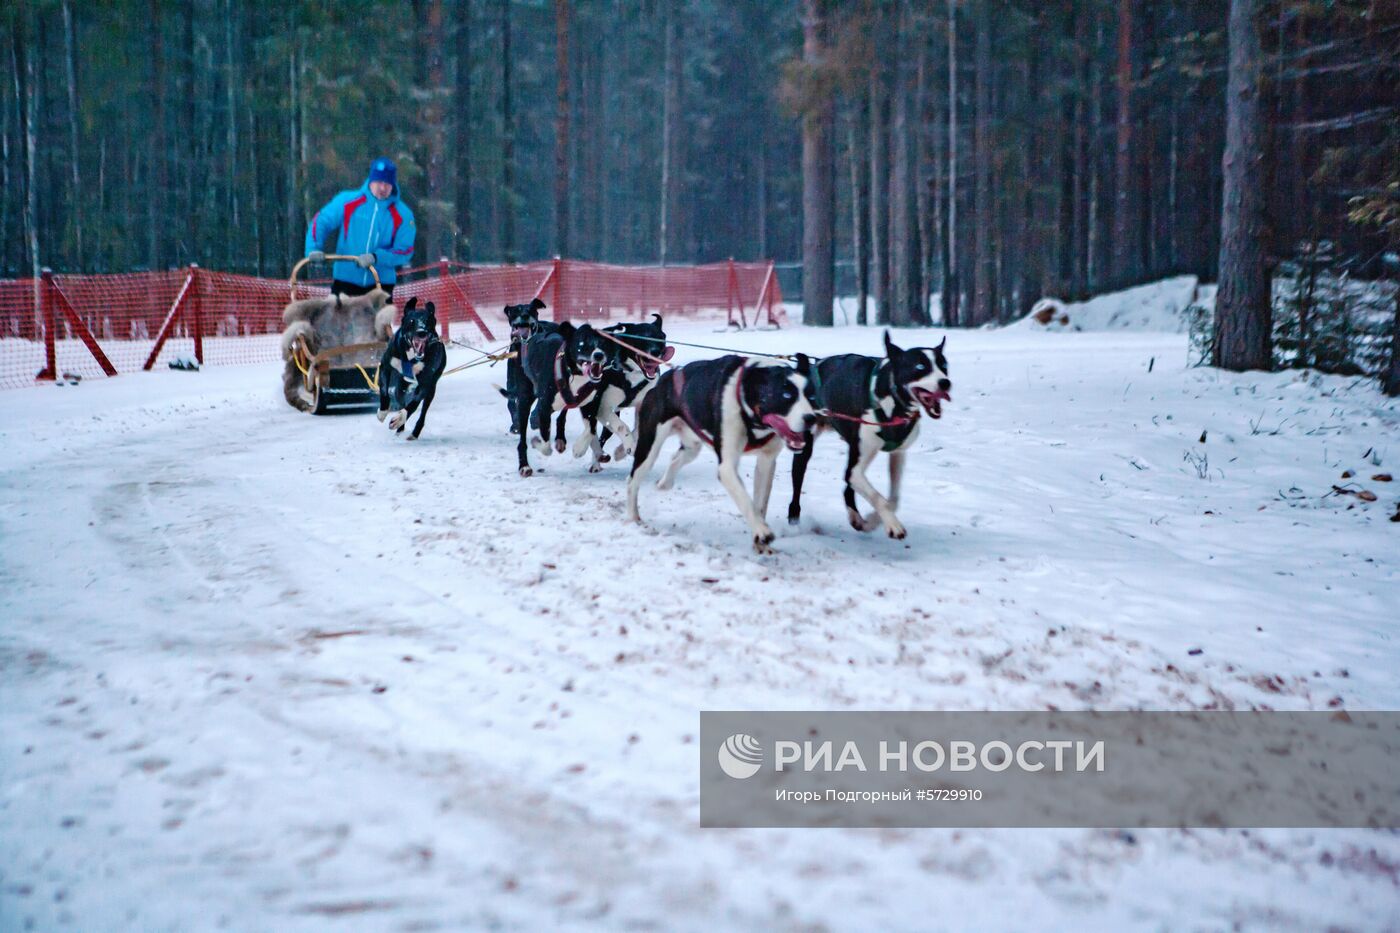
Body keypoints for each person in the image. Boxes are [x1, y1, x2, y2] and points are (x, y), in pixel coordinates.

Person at [304, 158, 416, 298]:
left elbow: (405, 250)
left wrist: (377, 257)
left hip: (380, 285)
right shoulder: (348, 201)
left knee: (379, 320)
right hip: (345, 281)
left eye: (387, 184)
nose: (382, 188)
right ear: (371, 180)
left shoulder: (403, 214)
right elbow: (321, 222)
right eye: (379, 182)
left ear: (393, 185)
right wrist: (313, 248)